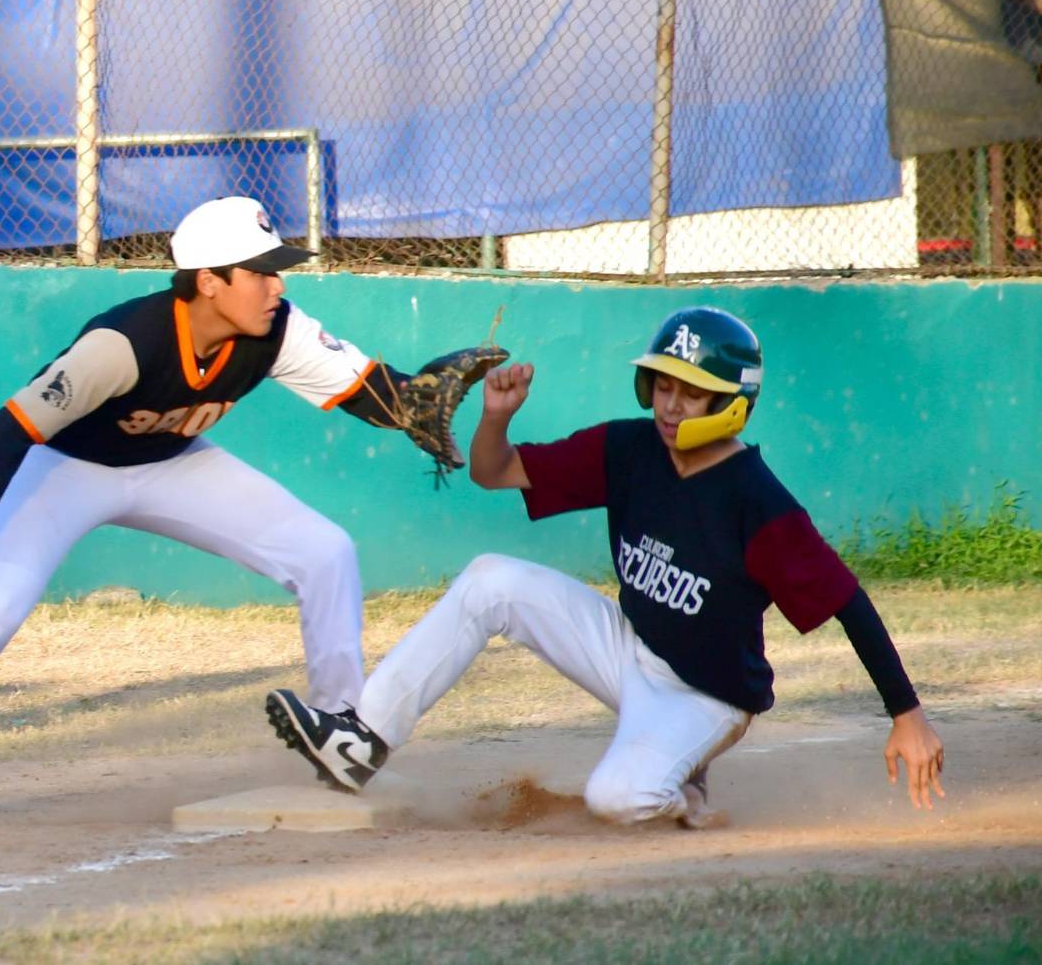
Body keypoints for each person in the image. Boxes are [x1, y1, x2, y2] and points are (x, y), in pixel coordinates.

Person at [0, 195, 505, 827]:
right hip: (65, 472)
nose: (277, 286)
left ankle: (342, 741)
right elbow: (9, 429)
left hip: (174, 464)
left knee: (325, 551)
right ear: (208, 281)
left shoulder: (277, 330)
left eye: (278, 272)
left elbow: (378, 396)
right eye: (260, 273)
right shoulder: (122, 345)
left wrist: (418, 399)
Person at [264, 306, 946, 828]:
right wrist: (496, 417)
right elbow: (494, 472)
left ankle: (682, 785)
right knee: (490, 580)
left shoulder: (754, 500)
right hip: (627, 647)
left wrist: (907, 716)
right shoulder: (631, 448)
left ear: (733, 401)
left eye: (693, 391)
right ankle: (361, 738)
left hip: (705, 695)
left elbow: (846, 600)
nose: (672, 405)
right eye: (664, 386)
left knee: (617, 800)